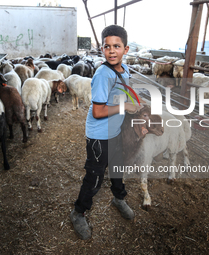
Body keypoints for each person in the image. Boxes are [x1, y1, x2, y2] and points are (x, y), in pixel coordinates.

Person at [70, 24, 145, 240]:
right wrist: (126, 107)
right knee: (95, 176)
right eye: (107, 46)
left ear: (126, 49)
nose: (112, 50)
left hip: (115, 132)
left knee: (117, 167)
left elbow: (122, 95)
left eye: (117, 46)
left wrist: (134, 105)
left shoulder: (125, 70)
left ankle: (118, 198)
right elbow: (98, 111)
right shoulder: (103, 74)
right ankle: (78, 212)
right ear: (102, 49)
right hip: (99, 135)